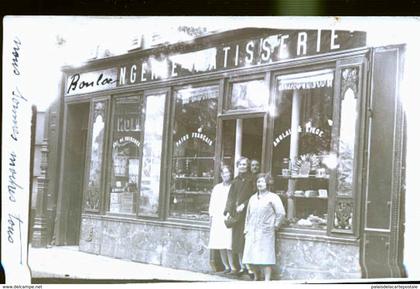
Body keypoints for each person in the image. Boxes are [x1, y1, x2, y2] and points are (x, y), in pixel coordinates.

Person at [242, 173, 285, 281]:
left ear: (268, 183)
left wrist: (275, 226)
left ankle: (266, 280)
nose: (260, 184)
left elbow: (281, 213)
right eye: (258, 182)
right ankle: (257, 277)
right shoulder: (252, 198)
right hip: (252, 231)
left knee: (265, 258)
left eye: (262, 181)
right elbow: (248, 215)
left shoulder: (273, 197)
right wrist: (246, 230)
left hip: (266, 232)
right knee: (250, 257)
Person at [224, 157, 255, 276]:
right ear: (238, 166)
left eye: (245, 164)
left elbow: (253, 195)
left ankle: (250, 267)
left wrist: (244, 204)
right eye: (240, 164)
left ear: (247, 166)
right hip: (236, 214)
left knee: (246, 240)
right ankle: (242, 266)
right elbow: (230, 197)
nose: (243, 166)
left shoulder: (251, 179)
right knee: (237, 241)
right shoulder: (235, 181)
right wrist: (227, 211)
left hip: (248, 214)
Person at [208, 165, 235, 273]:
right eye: (223, 173)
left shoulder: (233, 186)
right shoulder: (217, 188)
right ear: (221, 175)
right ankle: (226, 266)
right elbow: (212, 203)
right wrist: (211, 217)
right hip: (217, 217)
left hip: (228, 217)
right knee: (220, 242)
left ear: (231, 174)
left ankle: (233, 267)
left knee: (229, 243)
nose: (225, 175)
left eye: (228, 172)